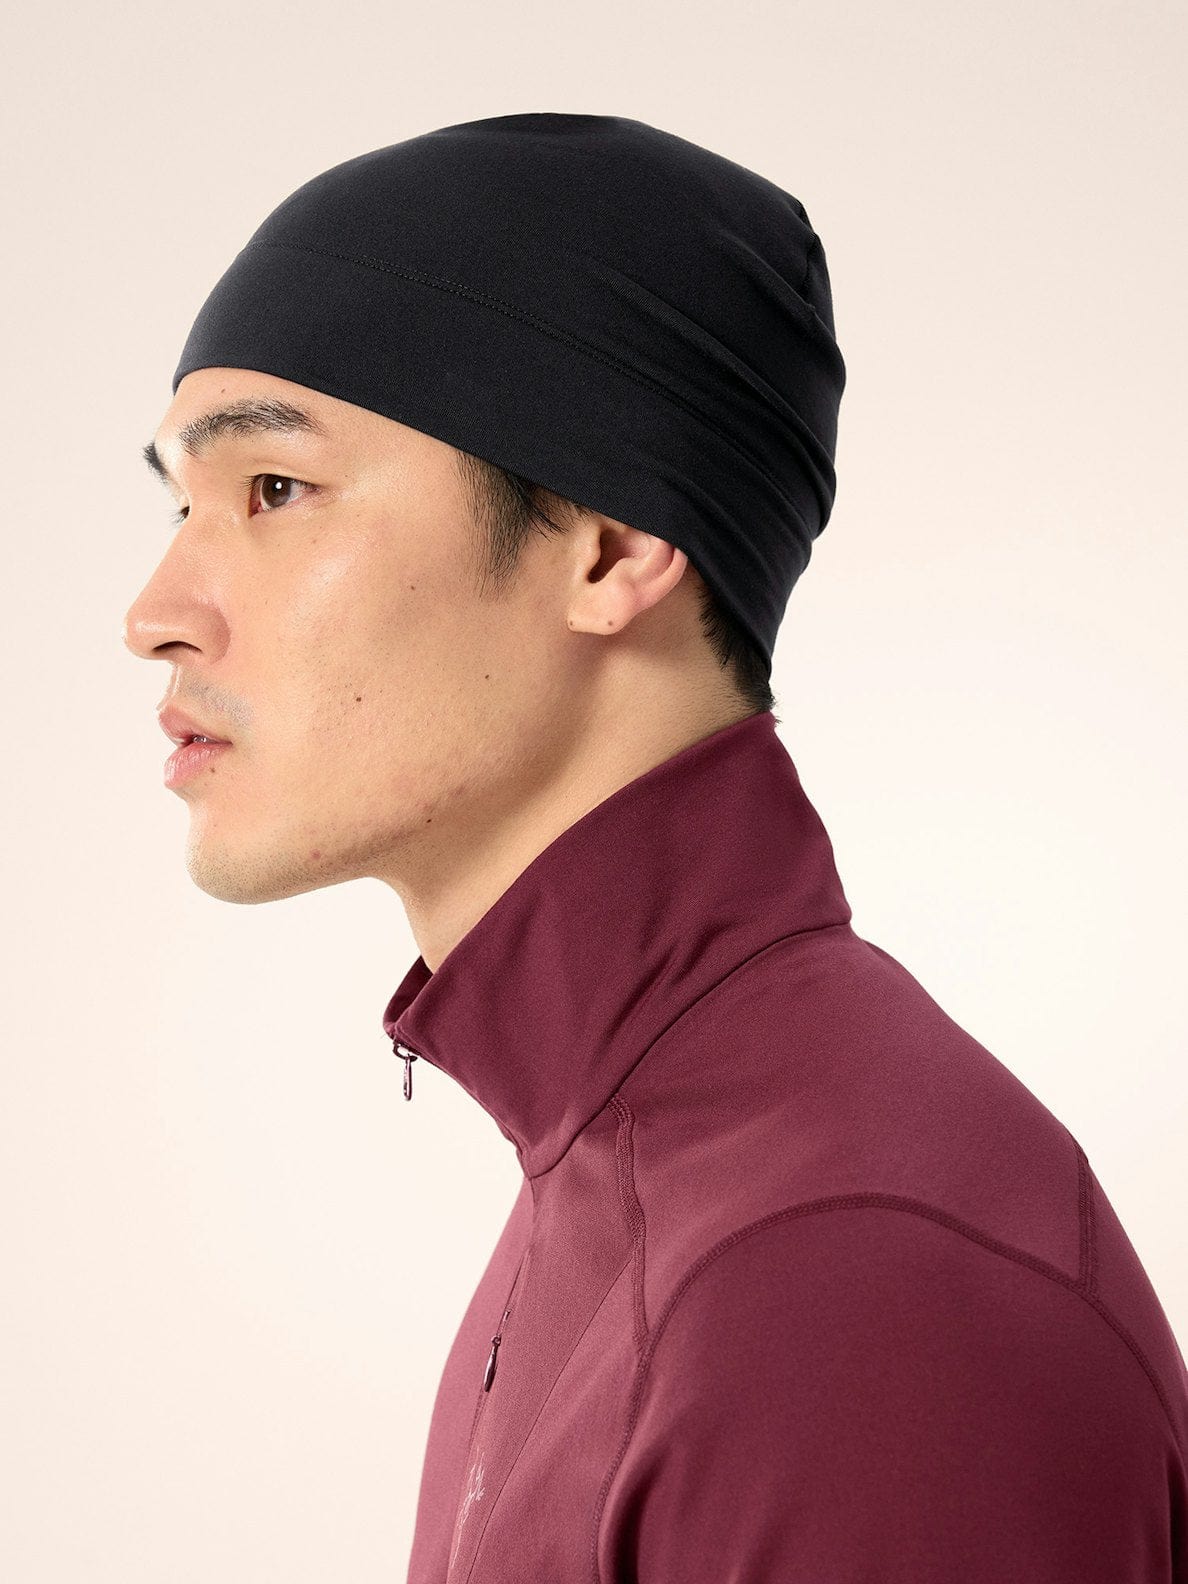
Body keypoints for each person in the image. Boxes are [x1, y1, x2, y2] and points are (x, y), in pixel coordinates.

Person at [123, 112, 1188, 1582]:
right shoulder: (630, 1182)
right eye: (182, 504)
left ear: (613, 545)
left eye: (275, 491)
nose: (156, 613)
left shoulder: (848, 1286)